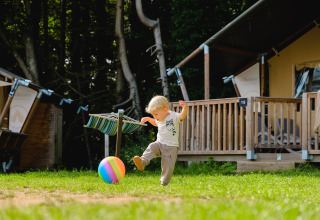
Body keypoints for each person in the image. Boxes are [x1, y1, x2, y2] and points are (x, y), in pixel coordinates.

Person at [133, 95, 187, 186]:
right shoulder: (159, 118)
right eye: (153, 115)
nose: (155, 117)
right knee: (152, 146)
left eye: (156, 114)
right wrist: (149, 119)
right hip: (160, 144)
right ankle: (142, 162)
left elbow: (182, 116)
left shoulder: (173, 116)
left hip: (171, 147)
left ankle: (164, 183)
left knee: (168, 166)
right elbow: (155, 123)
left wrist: (185, 108)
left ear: (165, 110)